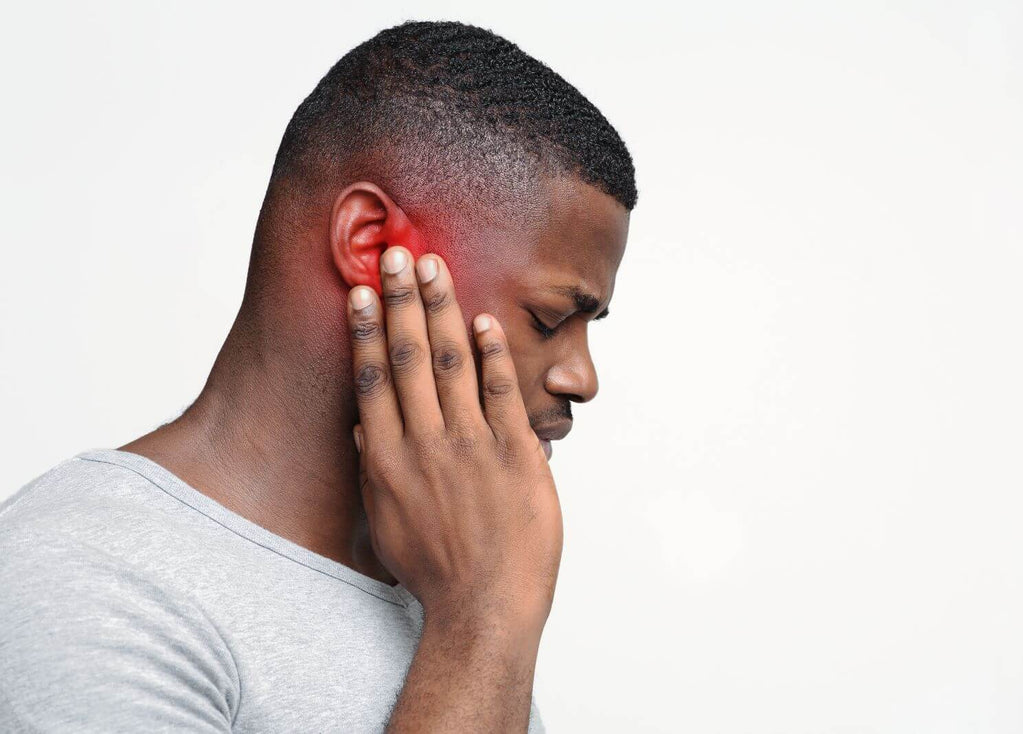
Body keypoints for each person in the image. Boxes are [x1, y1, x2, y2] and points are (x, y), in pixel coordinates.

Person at [0, 19, 635, 732]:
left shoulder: (435, 587)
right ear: (372, 246)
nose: (582, 378)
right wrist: (486, 616)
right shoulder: (88, 582)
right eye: (551, 319)